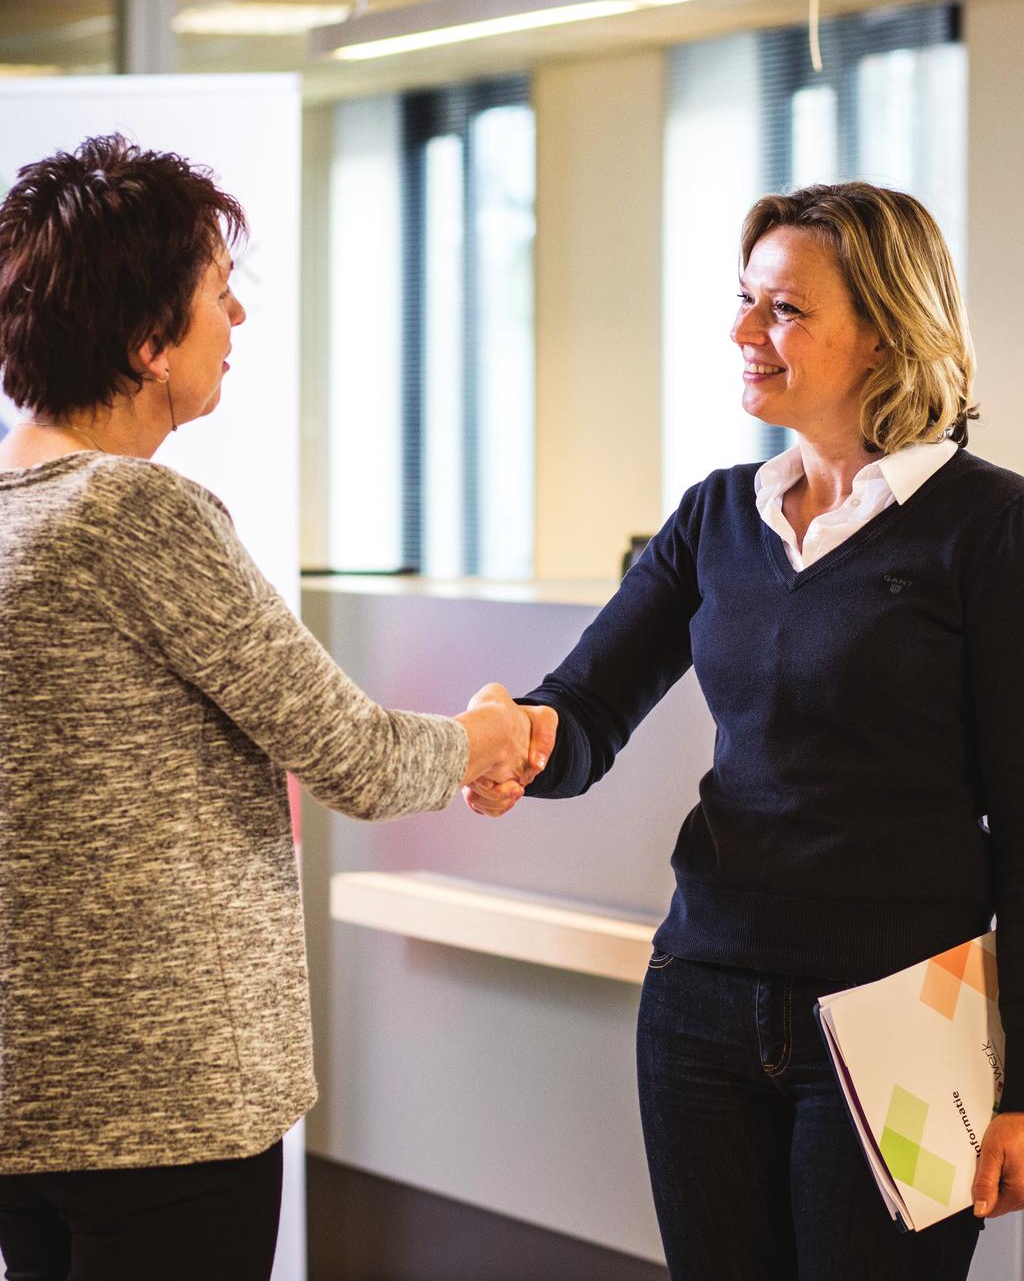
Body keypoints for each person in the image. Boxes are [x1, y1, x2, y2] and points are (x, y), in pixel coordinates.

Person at [0, 133, 551, 1281]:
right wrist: (489, 735)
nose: (237, 318)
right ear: (149, 342)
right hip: (163, 1103)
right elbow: (351, 753)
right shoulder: (134, 516)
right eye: (216, 292)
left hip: (29, 1094)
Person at [466, 182, 1024, 1280]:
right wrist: (515, 733)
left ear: (881, 330)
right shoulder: (718, 513)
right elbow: (583, 710)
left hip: (902, 1016)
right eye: (743, 302)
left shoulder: (989, 527)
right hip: (702, 1006)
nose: (741, 334)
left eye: (782, 310)